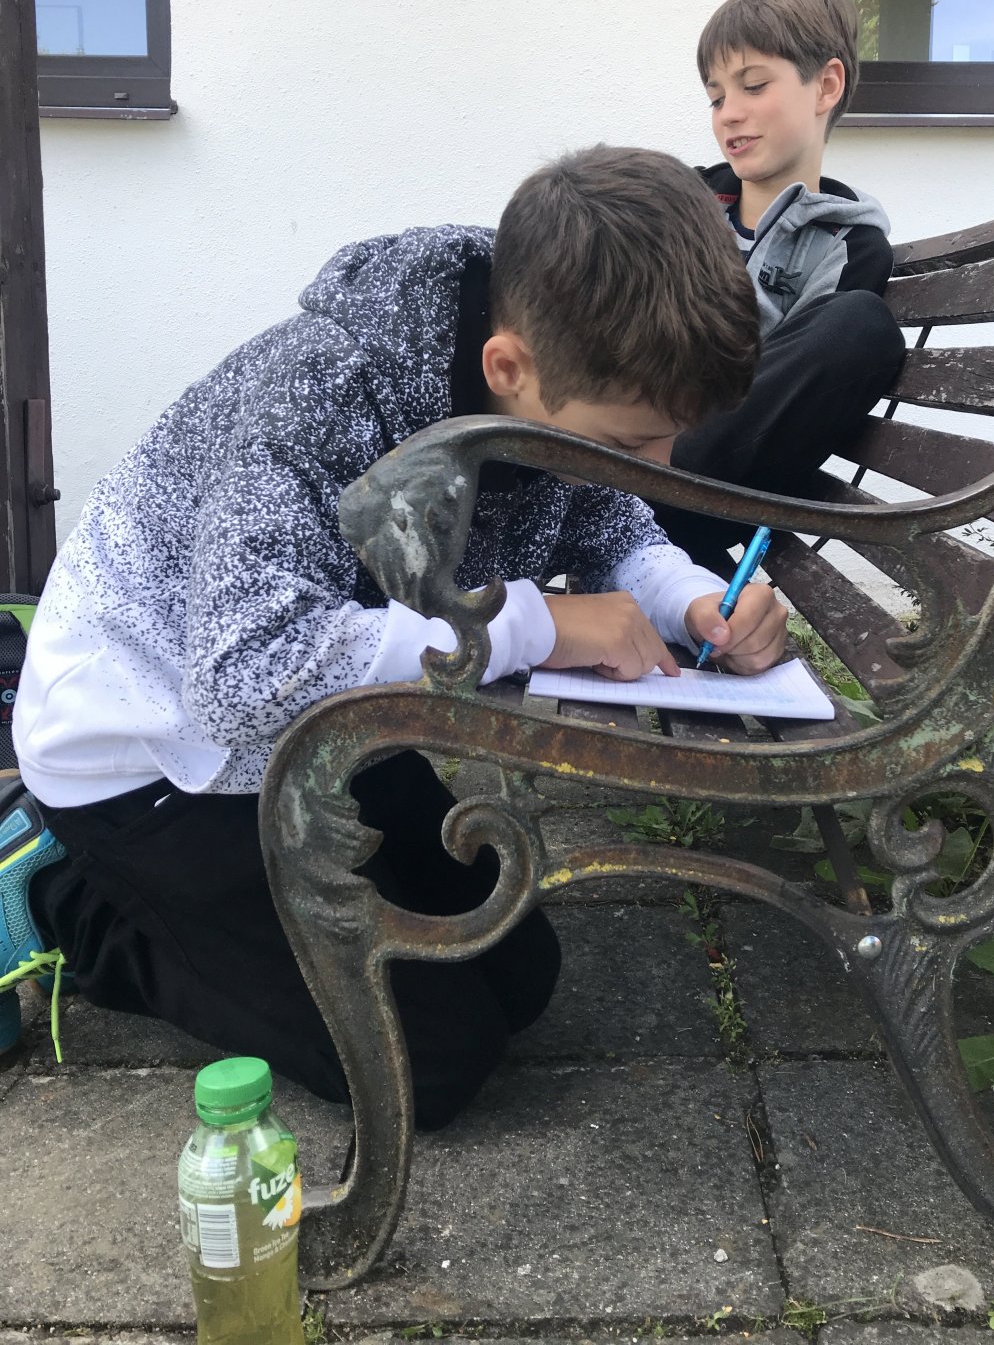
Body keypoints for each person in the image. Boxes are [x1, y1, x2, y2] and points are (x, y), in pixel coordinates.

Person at [1, 145, 788, 1127]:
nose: (657, 466)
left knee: (522, 977)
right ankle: (67, 903)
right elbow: (245, 674)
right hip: (152, 754)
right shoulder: (320, 391)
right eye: (632, 443)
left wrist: (694, 601)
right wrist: (534, 625)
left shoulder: (560, 357)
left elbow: (606, 521)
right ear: (509, 368)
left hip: (321, 729)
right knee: (432, 1067)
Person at [655, 0, 908, 571]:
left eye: (753, 86)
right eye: (716, 97)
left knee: (861, 325)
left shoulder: (852, 246)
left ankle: (643, 509)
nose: (729, 113)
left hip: (700, 482)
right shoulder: (678, 198)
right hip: (602, 438)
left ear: (826, 86)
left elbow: (790, 404)